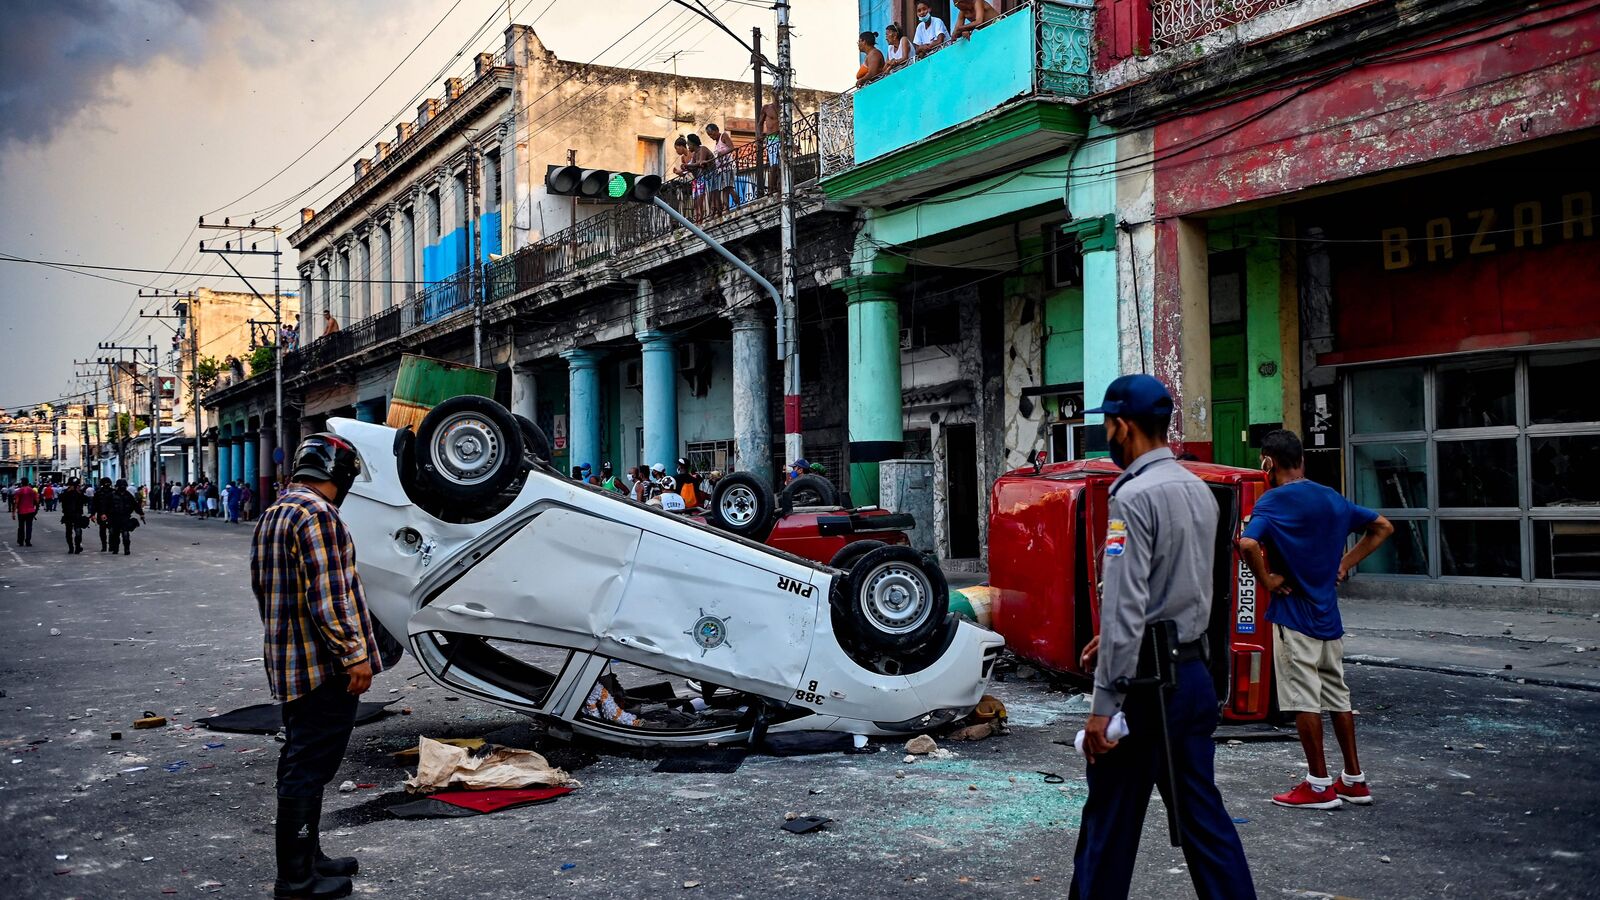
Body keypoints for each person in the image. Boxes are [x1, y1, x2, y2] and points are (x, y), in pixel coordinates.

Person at [1072, 374, 1255, 900]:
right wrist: (1112, 643)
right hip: (1192, 677)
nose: (1106, 436)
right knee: (1205, 824)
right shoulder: (1198, 489)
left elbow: (1128, 603)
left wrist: (1103, 706)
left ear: (1122, 426)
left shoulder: (1131, 497)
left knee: (1108, 826)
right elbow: (1183, 589)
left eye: (1106, 425)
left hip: (1145, 690)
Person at [250, 434, 378, 899]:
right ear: (338, 475)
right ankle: (296, 880)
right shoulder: (319, 516)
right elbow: (328, 598)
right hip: (323, 666)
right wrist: (355, 656)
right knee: (309, 765)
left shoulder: (276, 512)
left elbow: (268, 591)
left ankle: (310, 859)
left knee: (302, 759)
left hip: (290, 660)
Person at [1237, 429, 1394, 810]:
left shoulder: (1273, 502)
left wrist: (1268, 580)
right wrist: (1345, 563)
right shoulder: (1332, 498)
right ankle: (1354, 780)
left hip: (1294, 618)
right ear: (1302, 460)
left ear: (1268, 462)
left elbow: (1247, 543)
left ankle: (1318, 784)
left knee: (1303, 699)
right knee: (1338, 697)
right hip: (1329, 617)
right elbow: (1383, 527)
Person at [704, 123, 736, 212]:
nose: (710, 136)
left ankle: (737, 204)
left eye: (711, 134)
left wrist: (722, 153)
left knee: (729, 188)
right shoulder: (716, 142)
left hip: (728, 166)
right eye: (709, 135)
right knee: (724, 189)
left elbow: (732, 148)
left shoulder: (723, 136)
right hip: (721, 168)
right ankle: (726, 208)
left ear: (716, 130)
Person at [108, 478, 144, 556]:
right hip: (115, 518)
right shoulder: (112, 495)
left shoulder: (128, 495)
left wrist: (141, 513)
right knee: (115, 534)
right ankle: (115, 548)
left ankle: (126, 549)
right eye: (121, 486)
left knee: (125, 534)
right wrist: (104, 514)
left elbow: (135, 505)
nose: (122, 488)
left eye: (124, 486)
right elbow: (106, 506)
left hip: (125, 517)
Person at [685, 133, 714, 222]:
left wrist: (688, 165)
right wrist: (685, 167)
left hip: (710, 176)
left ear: (693, 144)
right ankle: (698, 216)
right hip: (700, 177)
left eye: (688, 144)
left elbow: (700, 163)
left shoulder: (702, 149)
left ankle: (704, 215)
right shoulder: (694, 154)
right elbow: (693, 165)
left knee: (703, 197)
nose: (688, 147)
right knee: (697, 197)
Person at [60, 477, 88, 554]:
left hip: (77, 515)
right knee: (68, 532)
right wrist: (67, 492)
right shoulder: (65, 492)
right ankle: (71, 547)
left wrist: (80, 493)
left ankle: (78, 546)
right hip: (68, 515)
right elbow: (61, 499)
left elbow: (86, 500)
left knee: (78, 531)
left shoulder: (80, 493)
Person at [760, 99, 781, 195]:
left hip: (782, 138)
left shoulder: (784, 108)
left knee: (781, 165)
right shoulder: (767, 108)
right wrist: (759, 136)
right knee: (774, 165)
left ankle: (778, 187)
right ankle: (770, 189)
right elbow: (759, 123)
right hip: (771, 138)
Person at [11, 478, 39, 547]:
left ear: (21, 483)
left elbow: (16, 503)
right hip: (30, 511)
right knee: (29, 527)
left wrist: (13, 513)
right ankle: (28, 541)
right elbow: (37, 501)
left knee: (21, 527)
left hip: (21, 511)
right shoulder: (33, 491)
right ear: (28, 482)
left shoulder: (19, 491)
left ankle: (21, 541)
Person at [93, 477, 115, 551]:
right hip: (102, 514)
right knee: (103, 531)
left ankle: (111, 545)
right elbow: (95, 505)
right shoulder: (98, 493)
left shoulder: (113, 492)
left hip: (111, 514)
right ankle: (104, 545)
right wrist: (93, 514)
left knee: (111, 531)